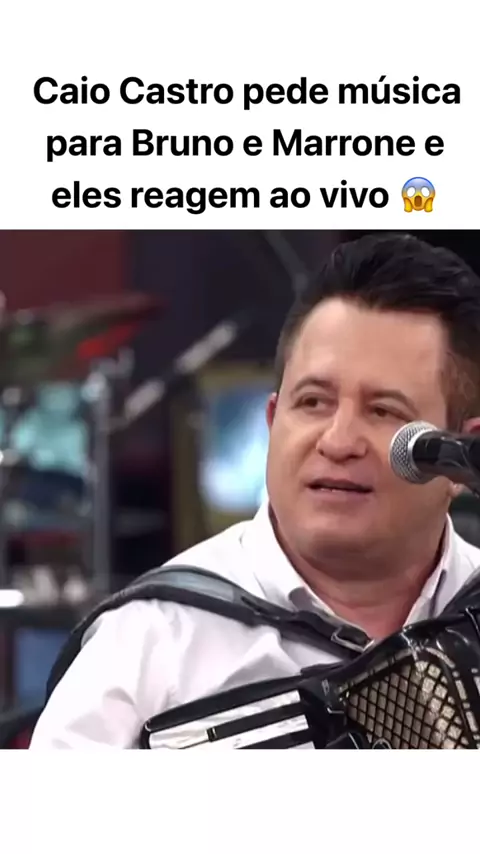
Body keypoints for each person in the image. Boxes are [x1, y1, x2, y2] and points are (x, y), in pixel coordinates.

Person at [30, 232, 480, 748]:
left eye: (383, 411)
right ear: (272, 420)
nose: (337, 441)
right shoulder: (146, 642)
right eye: (312, 402)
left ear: (460, 458)